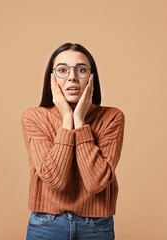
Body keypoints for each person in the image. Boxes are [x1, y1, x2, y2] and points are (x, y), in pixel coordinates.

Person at [21, 42, 125, 240]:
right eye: (62, 70)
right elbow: (55, 180)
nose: (72, 77)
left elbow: (96, 182)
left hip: (96, 226)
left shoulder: (112, 117)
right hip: (46, 225)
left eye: (81, 70)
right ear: (51, 78)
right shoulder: (33, 117)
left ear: (92, 77)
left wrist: (79, 120)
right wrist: (67, 120)